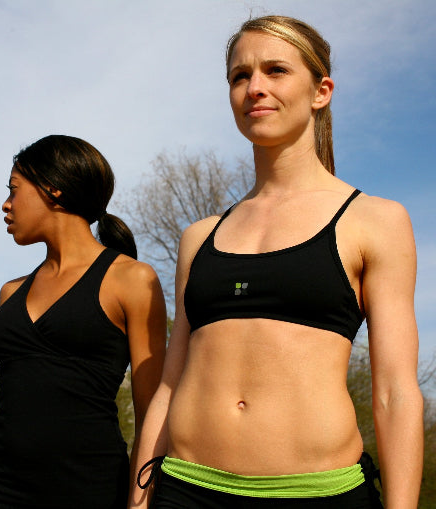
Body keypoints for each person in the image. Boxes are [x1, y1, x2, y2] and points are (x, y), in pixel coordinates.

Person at [130, 15, 423, 509]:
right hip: (185, 490)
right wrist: (139, 502)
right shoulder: (198, 237)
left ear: (320, 91)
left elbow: (395, 392)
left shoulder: (375, 220)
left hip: (317, 494)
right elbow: (169, 384)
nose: (255, 88)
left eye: (275, 70)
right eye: (240, 76)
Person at [0, 134, 167, 508]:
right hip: (0, 492)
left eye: (14, 189)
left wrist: (140, 503)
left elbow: (153, 411)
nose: (6, 205)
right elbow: (5, 412)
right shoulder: (10, 293)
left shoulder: (132, 280)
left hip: (89, 489)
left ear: (53, 190)